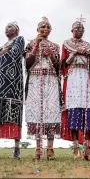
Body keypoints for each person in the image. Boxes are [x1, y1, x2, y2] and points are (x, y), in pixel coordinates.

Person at [61, 16, 90, 161]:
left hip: (85, 78)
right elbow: (64, 63)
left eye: (82, 29)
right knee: (74, 111)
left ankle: (87, 148)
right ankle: (76, 148)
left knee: (87, 111)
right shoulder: (66, 43)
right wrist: (76, 52)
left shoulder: (88, 45)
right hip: (72, 78)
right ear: (72, 30)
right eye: (77, 28)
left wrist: (85, 54)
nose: (79, 30)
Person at [24, 17, 61, 161]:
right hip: (35, 79)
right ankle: (38, 148)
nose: (45, 28)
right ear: (37, 29)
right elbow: (27, 64)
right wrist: (36, 46)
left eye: (47, 27)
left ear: (50, 30)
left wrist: (50, 55)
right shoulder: (30, 44)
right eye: (42, 26)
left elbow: (58, 67)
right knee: (36, 112)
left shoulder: (55, 46)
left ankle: (50, 148)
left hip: (51, 79)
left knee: (51, 111)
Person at [0, 22, 25, 159]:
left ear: (17, 30)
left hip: (13, 86)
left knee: (14, 114)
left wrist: (4, 52)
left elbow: (15, 53)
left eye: (10, 26)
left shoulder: (19, 39)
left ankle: (16, 150)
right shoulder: (2, 46)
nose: (7, 29)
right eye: (6, 27)